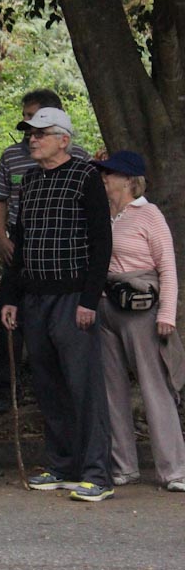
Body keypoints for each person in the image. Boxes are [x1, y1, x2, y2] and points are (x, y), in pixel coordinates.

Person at [0, 106, 114, 502]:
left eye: (40, 133)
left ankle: (98, 472)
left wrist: (89, 299)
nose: (32, 139)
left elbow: (102, 243)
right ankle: (63, 465)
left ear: (63, 139)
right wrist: (11, 296)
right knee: (48, 385)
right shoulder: (29, 180)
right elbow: (21, 243)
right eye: (30, 133)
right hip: (34, 296)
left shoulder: (86, 176)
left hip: (72, 297)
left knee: (83, 385)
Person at [0, 89, 89, 409]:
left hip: (66, 261)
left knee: (64, 333)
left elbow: (97, 225)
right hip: (22, 249)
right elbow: (0, 198)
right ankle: (8, 388)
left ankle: (71, 397)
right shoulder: (15, 159)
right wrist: (3, 237)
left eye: (34, 118)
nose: (28, 126)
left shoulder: (83, 163)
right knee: (9, 313)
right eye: (25, 118)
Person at [93, 151, 185, 492]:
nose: (104, 178)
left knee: (154, 386)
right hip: (106, 305)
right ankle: (124, 466)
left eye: (110, 173)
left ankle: (173, 470)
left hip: (141, 308)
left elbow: (168, 268)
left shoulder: (149, 215)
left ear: (130, 180)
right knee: (111, 389)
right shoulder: (104, 214)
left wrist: (166, 315)